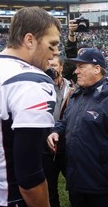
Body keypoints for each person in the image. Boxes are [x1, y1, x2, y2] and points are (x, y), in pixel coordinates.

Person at [47, 48, 108, 207]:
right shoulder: (77, 95)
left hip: (103, 185)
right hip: (77, 181)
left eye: (81, 67)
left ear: (97, 69)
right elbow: (66, 121)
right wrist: (56, 131)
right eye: (76, 67)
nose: (76, 71)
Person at [0, 6, 61, 207]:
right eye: (52, 44)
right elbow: (29, 177)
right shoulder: (31, 81)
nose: (56, 53)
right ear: (30, 40)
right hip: (8, 197)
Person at [43, 55, 75, 207]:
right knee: (50, 189)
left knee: (75, 185)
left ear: (62, 67)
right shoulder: (39, 87)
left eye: (54, 65)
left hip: (68, 144)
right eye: (49, 65)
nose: (51, 68)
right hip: (46, 146)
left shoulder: (73, 89)